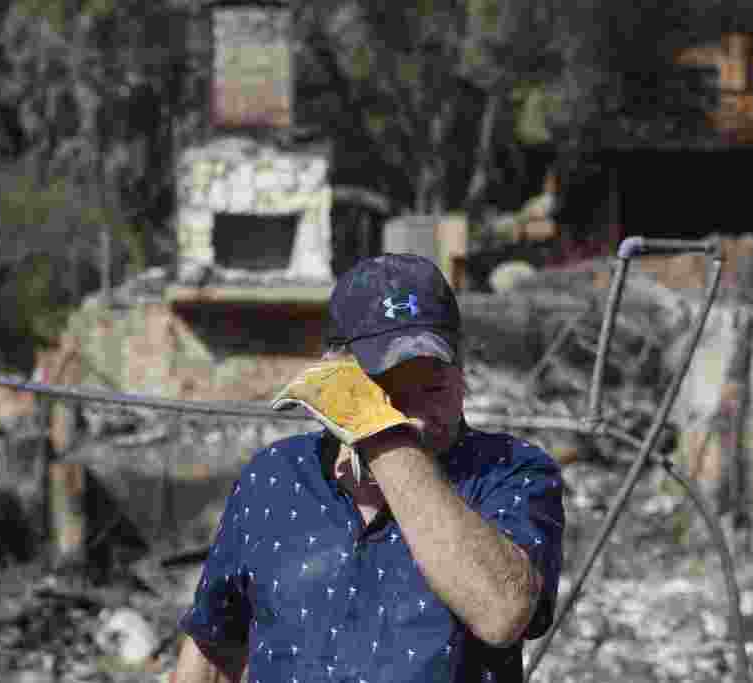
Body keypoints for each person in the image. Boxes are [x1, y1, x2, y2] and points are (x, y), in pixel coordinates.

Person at [174, 253, 565, 683]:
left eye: (434, 388)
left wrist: (381, 433)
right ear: (337, 374)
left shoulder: (510, 471)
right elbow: (213, 644)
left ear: (461, 367)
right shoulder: (276, 475)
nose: (417, 418)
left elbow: (502, 615)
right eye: (387, 392)